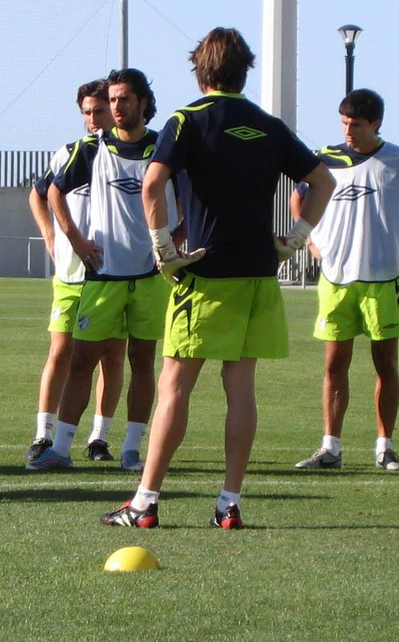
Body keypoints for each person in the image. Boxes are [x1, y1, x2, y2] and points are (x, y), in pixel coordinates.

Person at [101, 27, 334, 530]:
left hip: (205, 272)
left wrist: (164, 249)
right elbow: (323, 180)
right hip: (258, 272)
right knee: (241, 386)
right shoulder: (268, 125)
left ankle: (144, 502)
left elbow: (152, 182)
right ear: (244, 69)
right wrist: (294, 241)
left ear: (200, 69)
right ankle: (229, 502)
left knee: (176, 386)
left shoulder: (187, 120)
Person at [293, 89, 399, 473]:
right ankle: (330, 447)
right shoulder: (326, 159)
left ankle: (385, 446)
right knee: (333, 364)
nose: (348, 130)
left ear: (376, 123)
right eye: (344, 122)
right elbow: (298, 197)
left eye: (356, 124)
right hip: (336, 278)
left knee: (385, 363)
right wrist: (309, 238)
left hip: (383, 277)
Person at [33, 68, 177, 473]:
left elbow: (185, 202)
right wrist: (75, 240)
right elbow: (54, 192)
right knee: (80, 360)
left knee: (143, 362)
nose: (115, 107)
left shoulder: (165, 149)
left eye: (124, 99)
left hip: (149, 279)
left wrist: (173, 242)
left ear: (143, 103)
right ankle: (60, 448)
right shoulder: (93, 149)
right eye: (112, 99)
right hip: (103, 276)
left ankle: (132, 449)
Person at [23, 80, 122, 463]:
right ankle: (43, 435)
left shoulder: (125, 156)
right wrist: (50, 235)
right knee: (60, 352)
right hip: (70, 274)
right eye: (87, 112)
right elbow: (38, 192)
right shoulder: (68, 154)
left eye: (100, 111)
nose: (93, 119)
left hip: (112, 274)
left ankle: (99, 439)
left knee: (111, 357)